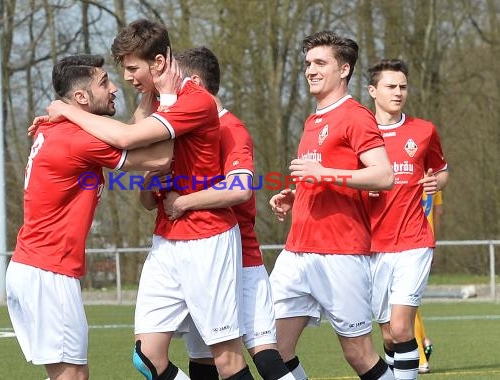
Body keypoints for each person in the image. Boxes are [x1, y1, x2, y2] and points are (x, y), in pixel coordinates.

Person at [40, 20, 255, 380]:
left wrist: (68, 111)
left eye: (132, 67)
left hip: (208, 239)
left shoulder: (195, 101)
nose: (125, 77)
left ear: (158, 63)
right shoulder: (157, 101)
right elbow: (147, 192)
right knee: (147, 356)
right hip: (167, 238)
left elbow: (127, 139)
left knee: (227, 360)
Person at [6, 54, 173, 380]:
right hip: (47, 273)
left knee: (67, 374)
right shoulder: (77, 137)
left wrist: (145, 97)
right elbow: (161, 156)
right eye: (104, 82)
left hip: (36, 268)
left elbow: (131, 133)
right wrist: (167, 103)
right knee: (73, 376)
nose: (113, 87)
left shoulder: (62, 129)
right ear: (81, 97)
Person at [144, 46, 294, 380]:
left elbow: (239, 188)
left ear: (194, 81)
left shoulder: (231, 129)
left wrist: (183, 202)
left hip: (238, 259)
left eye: (176, 78)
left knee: (264, 360)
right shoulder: (186, 130)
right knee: (203, 365)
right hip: (198, 259)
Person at [268, 30, 395, 380]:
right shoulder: (312, 121)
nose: (310, 69)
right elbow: (322, 176)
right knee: (270, 347)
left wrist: (323, 174)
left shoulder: (356, 116)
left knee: (358, 353)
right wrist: (296, 193)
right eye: (308, 63)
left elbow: (384, 175)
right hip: (296, 252)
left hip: (340, 254)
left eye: (320, 63)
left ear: (344, 69)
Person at [367, 59, 449, 380]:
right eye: (391, 86)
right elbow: (341, 179)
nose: (398, 92)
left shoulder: (424, 130)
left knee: (402, 328)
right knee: (388, 334)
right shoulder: (359, 131)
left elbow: (441, 170)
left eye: (403, 86)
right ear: (373, 90)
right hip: (372, 246)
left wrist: (436, 182)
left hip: (414, 241)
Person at [415, 190, 443, 374]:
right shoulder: (434, 178)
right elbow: (438, 212)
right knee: (410, 301)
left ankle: (420, 359)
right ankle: (424, 340)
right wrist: (433, 240)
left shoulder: (402, 171)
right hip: (426, 243)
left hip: (407, 243)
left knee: (400, 303)